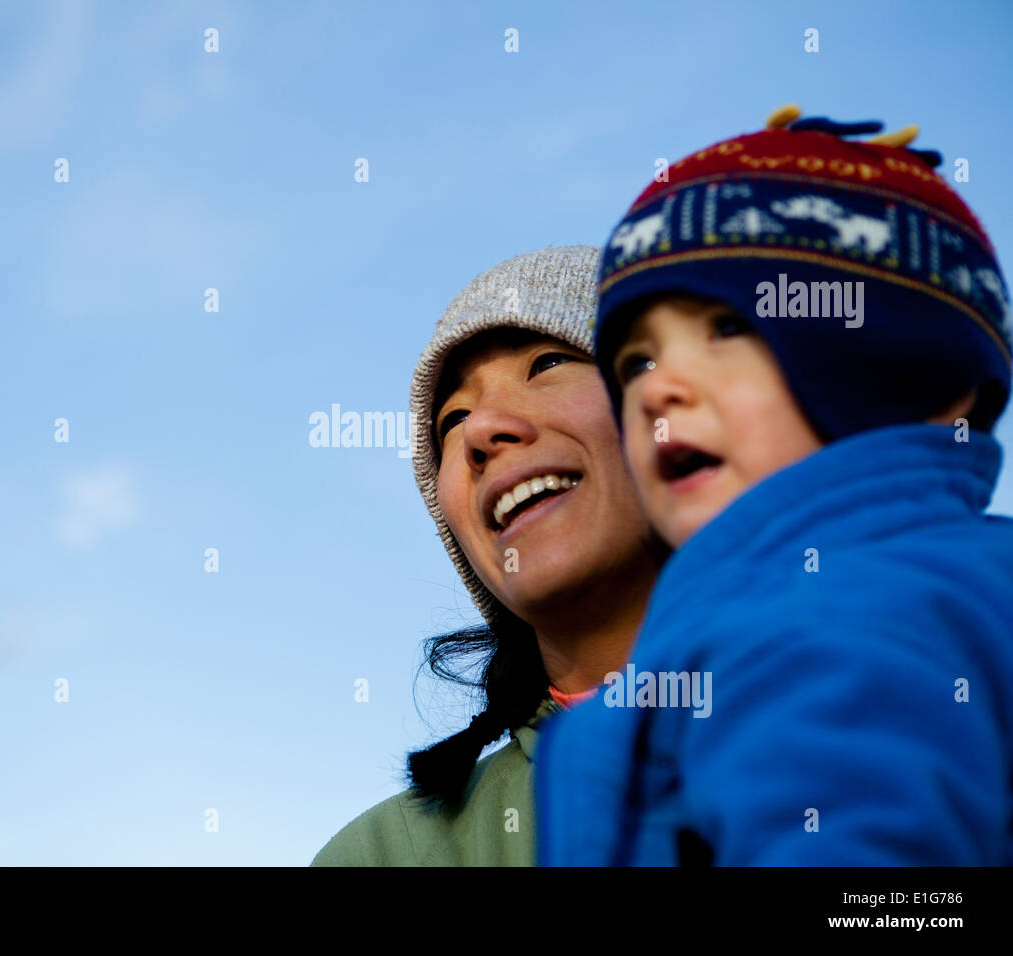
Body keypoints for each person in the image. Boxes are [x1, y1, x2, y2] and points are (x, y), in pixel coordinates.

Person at [536, 106, 1013, 865]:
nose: (658, 393)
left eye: (727, 330)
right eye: (634, 364)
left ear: (913, 372)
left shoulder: (834, 619)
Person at [312, 245, 667, 865]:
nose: (481, 430)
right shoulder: (384, 857)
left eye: (548, 362)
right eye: (452, 420)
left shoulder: (881, 716)